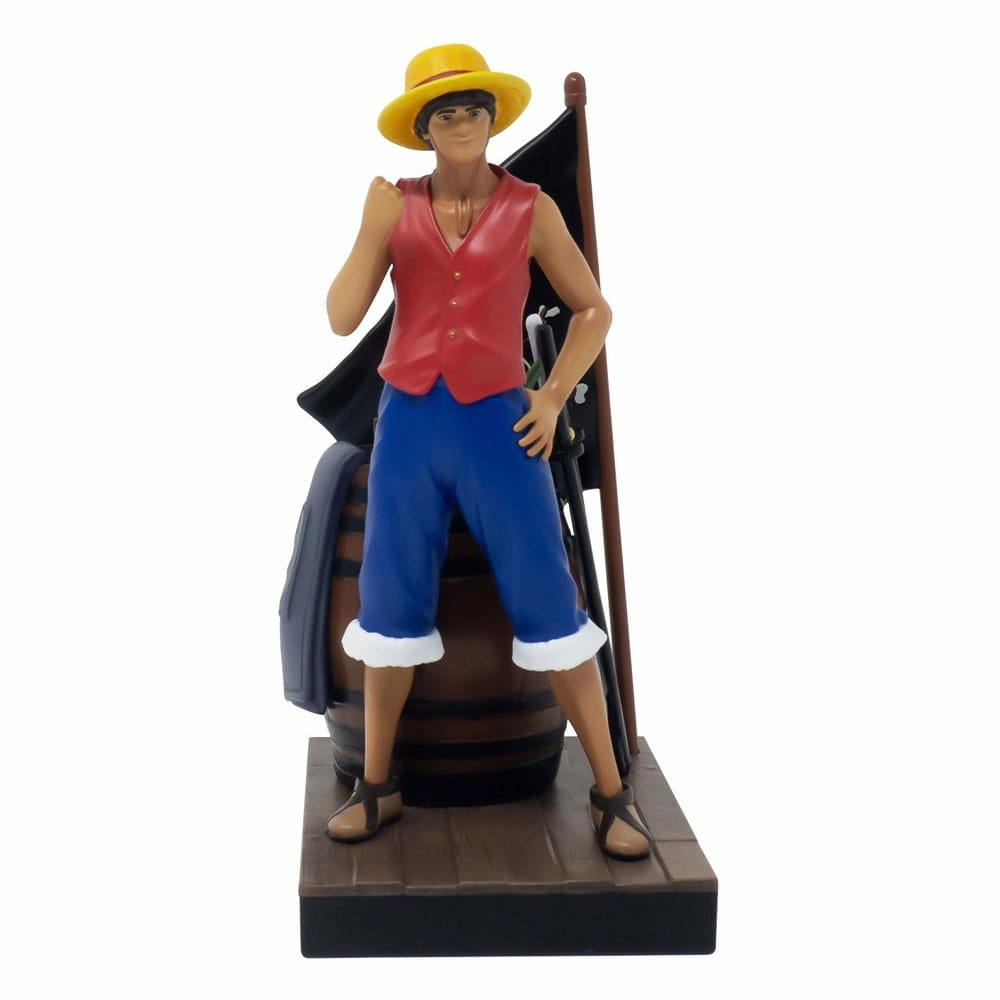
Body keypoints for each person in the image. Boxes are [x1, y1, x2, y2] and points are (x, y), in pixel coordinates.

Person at [323, 44, 652, 861]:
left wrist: (552, 395)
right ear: (423, 129)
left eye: (474, 108)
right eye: (446, 113)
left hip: (499, 425)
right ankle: (376, 782)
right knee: (388, 601)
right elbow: (341, 317)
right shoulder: (394, 206)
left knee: (549, 596)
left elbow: (593, 310)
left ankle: (611, 792)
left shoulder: (531, 207)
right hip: (408, 424)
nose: (462, 122)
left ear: (494, 117)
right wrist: (369, 233)